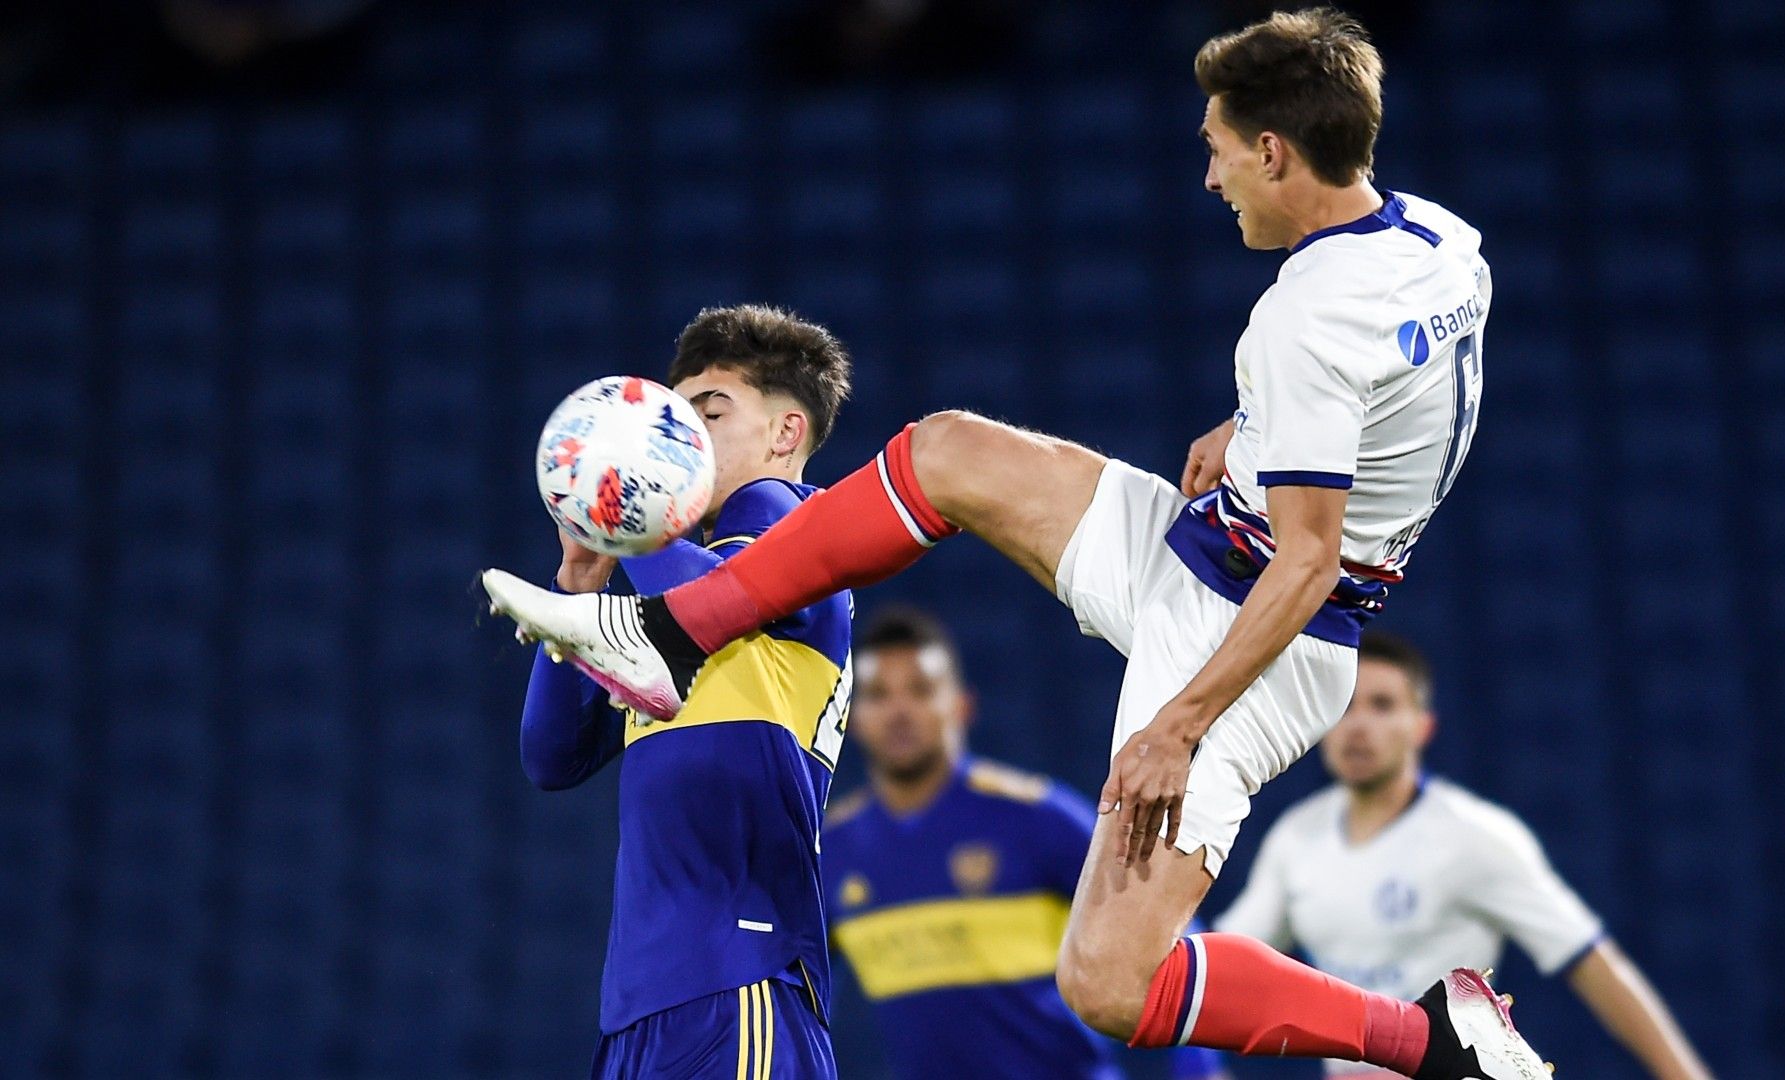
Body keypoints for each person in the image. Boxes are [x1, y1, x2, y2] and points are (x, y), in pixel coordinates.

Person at [486, 10, 1544, 1078]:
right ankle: (667, 636)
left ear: (1273, 151)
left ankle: (1432, 1039)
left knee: (1107, 984)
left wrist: (1178, 725)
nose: (1212, 177)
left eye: (1219, 149)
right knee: (948, 451)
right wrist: (1263, 433)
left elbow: (1310, 558)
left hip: (1257, 632)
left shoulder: (1305, 321)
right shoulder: (1441, 242)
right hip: (1201, 548)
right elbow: (1416, 399)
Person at [507, 305, 854, 1079]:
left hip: (742, 978)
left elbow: (731, 591)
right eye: (672, 418)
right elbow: (552, 755)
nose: (683, 437)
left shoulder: (801, 529)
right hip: (643, 998)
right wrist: (581, 581)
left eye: (708, 413)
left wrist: (635, 517)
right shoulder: (672, 600)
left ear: (785, 433)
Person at [1217, 634, 1714, 1079]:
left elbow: (1591, 961)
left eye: (1383, 705)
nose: (1358, 726)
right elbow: (1225, 964)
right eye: (1344, 707)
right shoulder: (1296, 837)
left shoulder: (1476, 838)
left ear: (1422, 727)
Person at [823, 608, 1231, 1080]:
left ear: (961, 705)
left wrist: (1199, 1065)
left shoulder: (1035, 819)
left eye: (920, 690)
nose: (899, 711)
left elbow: (1166, 916)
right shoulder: (835, 851)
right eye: (877, 695)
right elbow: (802, 992)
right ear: (850, 718)